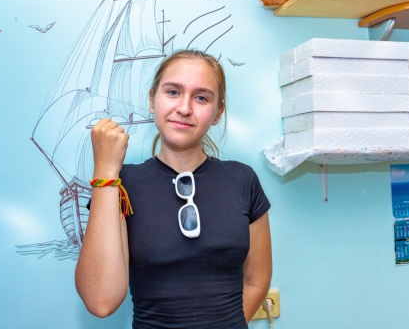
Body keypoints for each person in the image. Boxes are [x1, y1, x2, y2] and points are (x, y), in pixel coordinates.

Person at [75, 50, 272, 328]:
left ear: (218, 113)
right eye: (173, 92)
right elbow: (101, 301)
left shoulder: (243, 180)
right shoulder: (121, 184)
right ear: (152, 100)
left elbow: (256, 281)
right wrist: (106, 171)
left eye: (201, 98)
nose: (184, 108)